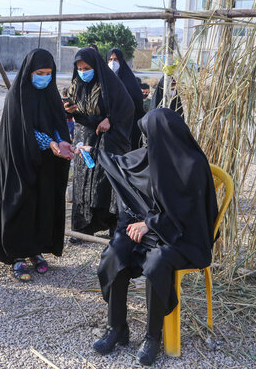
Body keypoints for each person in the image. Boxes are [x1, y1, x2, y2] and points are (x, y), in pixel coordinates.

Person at [79, 109, 218, 366]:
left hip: (183, 239)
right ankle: (117, 327)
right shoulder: (150, 157)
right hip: (150, 232)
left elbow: (190, 217)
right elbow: (120, 167)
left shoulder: (193, 166)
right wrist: (94, 150)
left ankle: (153, 336)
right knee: (116, 252)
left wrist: (150, 224)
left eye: (149, 136)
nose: (146, 142)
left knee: (157, 263)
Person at [0, 49, 74, 282]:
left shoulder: (50, 94)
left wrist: (61, 141)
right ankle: (15, 255)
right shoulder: (16, 96)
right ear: (29, 72)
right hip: (15, 161)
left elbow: (57, 122)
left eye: (49, 73)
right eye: (40, 73)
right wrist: (49, 142)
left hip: (44, 161)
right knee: (19, 204)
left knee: (40, 205)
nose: (45, 77)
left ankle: (34, 250)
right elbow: (22, 132)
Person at [64, 47, 134, 239]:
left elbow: (127, 107)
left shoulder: (110, 84)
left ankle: (113, 227)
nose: (83, 72)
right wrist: (69, 110)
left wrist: (110, 119)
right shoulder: (76, 85)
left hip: (107, 139)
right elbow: (74, 108)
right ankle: (83, 227)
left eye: (87, 67)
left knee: (105, 182)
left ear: (95, 66)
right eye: (79, 68)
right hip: (84, 136)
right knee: (83, 181)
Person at [107, 48, 146, 150]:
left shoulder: (129, 80)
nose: (113, 62)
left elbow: (137, 102)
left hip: (129, 126)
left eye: (116, 59)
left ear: (121, 61)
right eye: (110, 60)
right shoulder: (104, 81)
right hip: (109, 127)